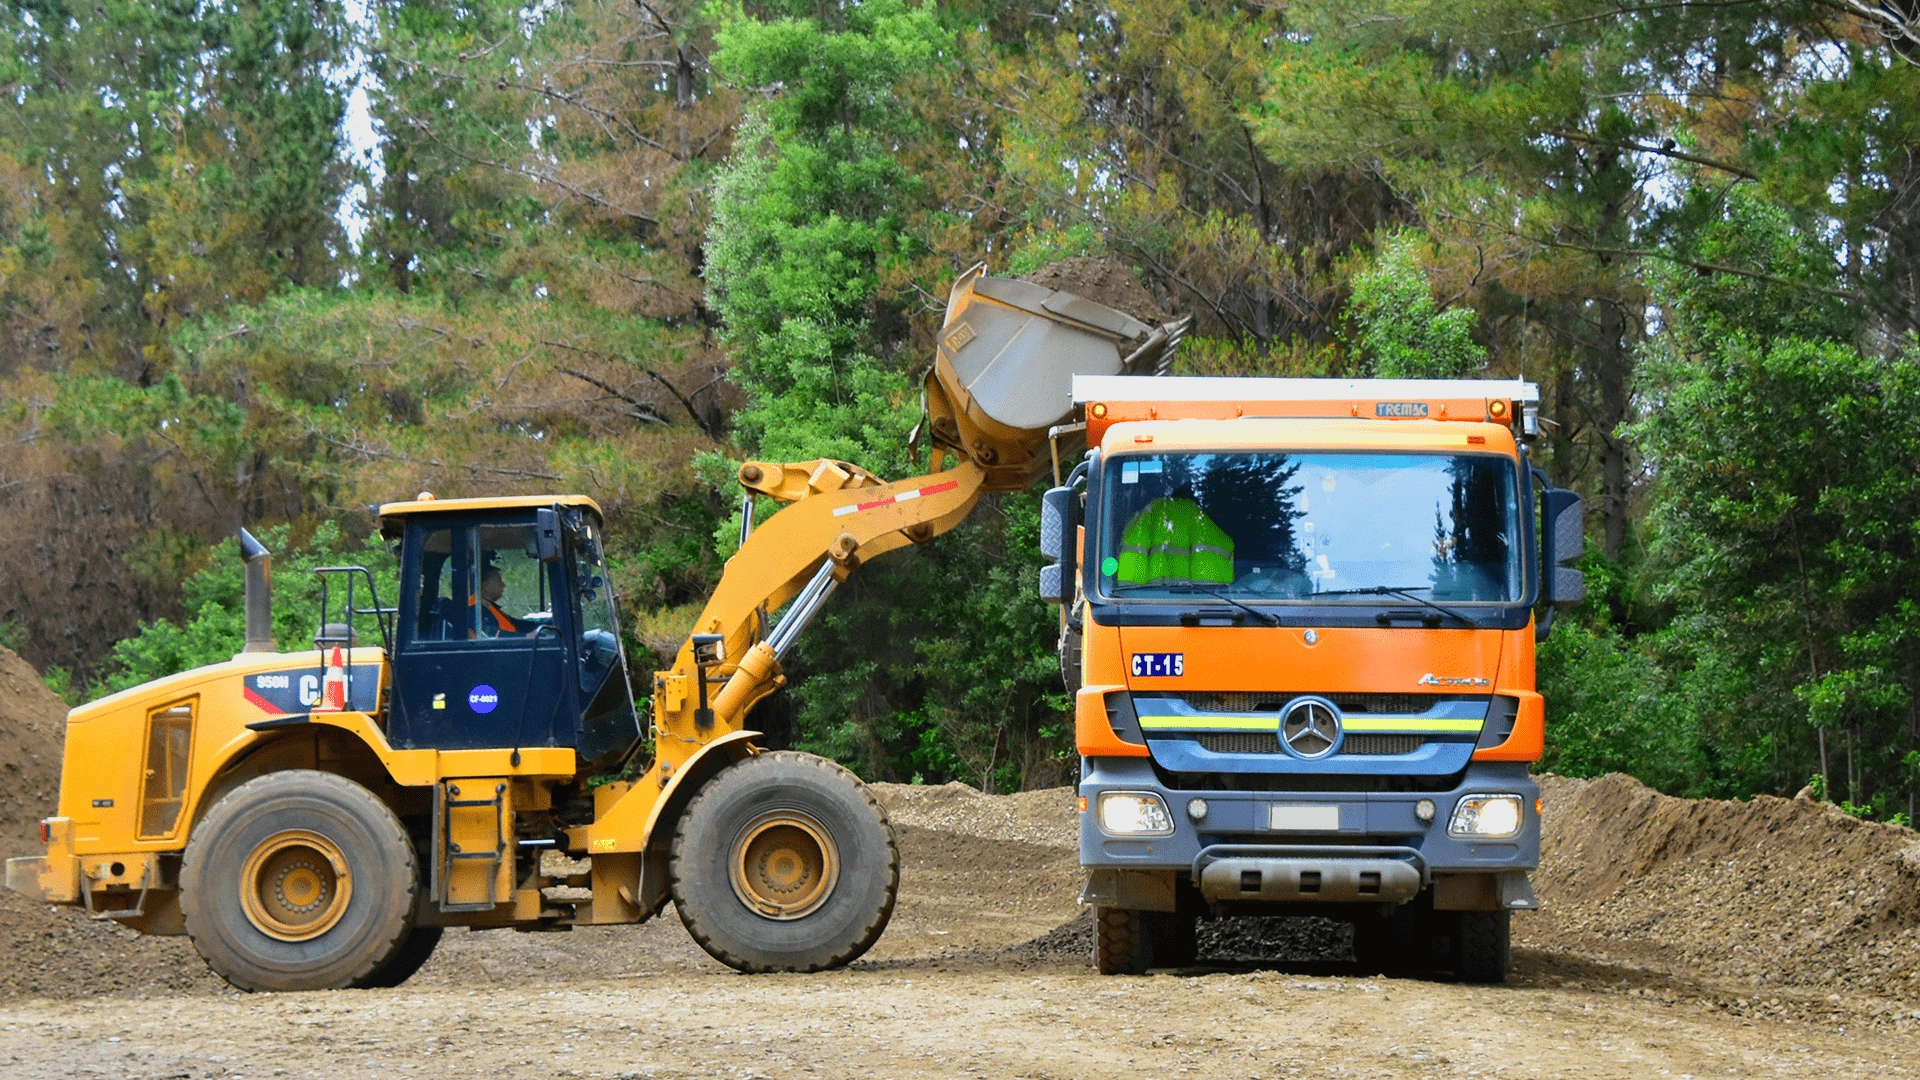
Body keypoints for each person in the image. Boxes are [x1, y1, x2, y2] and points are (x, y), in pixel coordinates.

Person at [1115, 486, 1235, 586]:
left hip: (1150, 606)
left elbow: (1130, 564)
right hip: (1208, 607)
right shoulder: (1205, 523)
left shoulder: (1151, 512)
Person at [475, 565, 524, 637]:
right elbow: (495, 636)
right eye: (499, 581)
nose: (503, 585)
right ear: (486, 585)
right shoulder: (478, 612)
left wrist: (538, 625)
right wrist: (527, 636)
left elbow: (515, 624)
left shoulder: (489, 607)